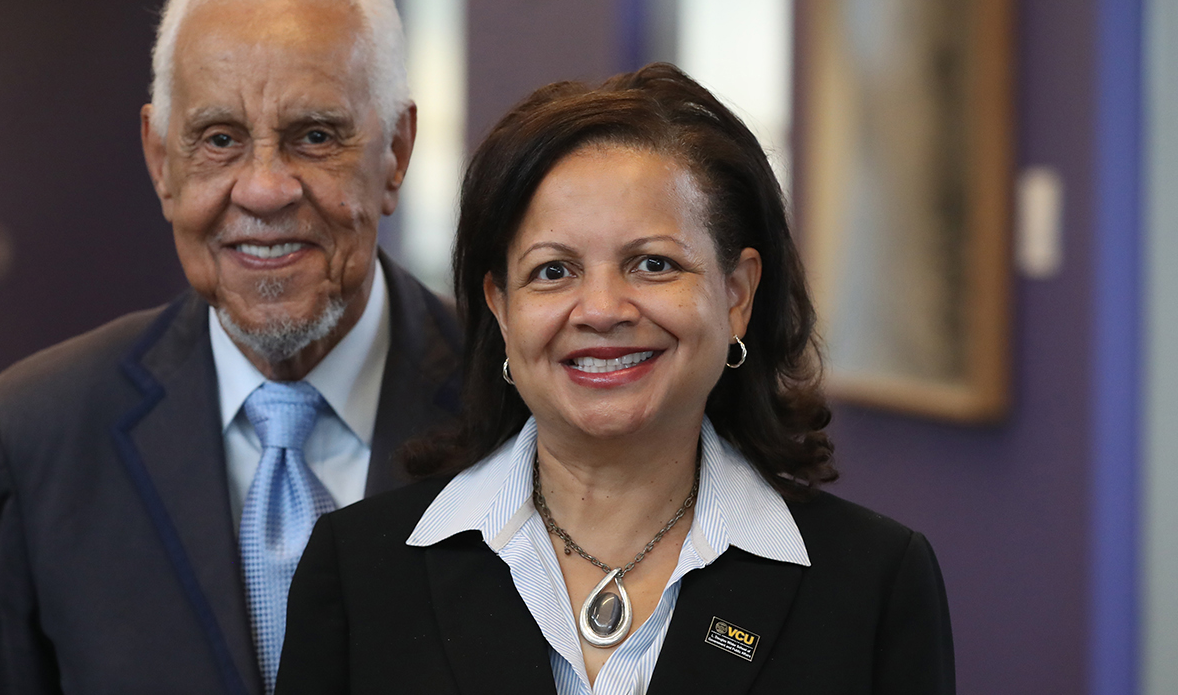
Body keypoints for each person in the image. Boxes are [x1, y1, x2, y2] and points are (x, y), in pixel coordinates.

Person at [277, 63, 955, 695]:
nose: (601, 310)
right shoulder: (359, 571)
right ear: (501, 309)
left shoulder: (873, 584)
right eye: (552, 271)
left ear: (737, 294)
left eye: (653, 264)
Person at [0, 0, 462, 695]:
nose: (265, 189)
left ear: (396, 153)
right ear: (160, 162)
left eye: (315, 137)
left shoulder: (519, 410)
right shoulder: (35, 436)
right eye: (219, 140)